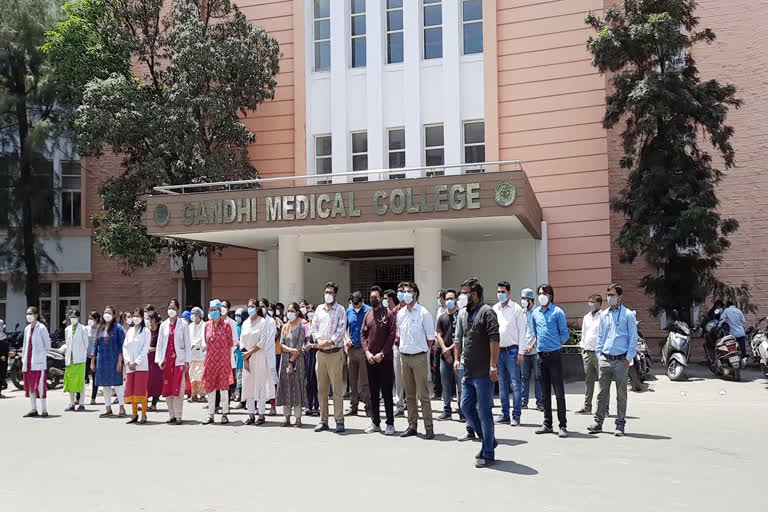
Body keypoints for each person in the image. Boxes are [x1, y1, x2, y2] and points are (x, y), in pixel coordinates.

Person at [456, 278, 500, 468]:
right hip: (469, 372)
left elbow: (494, 340)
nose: (462, 297)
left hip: (484, 373)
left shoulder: (487, 312)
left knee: (485, 413)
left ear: (474, 294)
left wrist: (493, 366)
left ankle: (488, 453)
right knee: (465, 407)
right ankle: (488, 440)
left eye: (465, 293)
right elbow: (463, 339)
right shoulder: (466, 313)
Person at [588, 284, 638, 437]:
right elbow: (600, 336)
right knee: (602, 393)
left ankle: (620, 424)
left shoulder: (628, 315)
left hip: (620, 360)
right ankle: (598, 422)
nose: (610, 297)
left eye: (613, 295)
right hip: (605, 359)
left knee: (621, 394)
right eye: (608, 295)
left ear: (620, 297)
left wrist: (628, 358)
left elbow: (633, 338)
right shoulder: (604, 314)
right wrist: (599, 354)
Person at [396, 281, 436, 439]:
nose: (406, 294)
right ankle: (412, 425)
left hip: (418, 357)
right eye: (404, 291)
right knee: (410, 395)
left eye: (409, 291)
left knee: (423, 395)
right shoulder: (401, 313)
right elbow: (399, 334)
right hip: (404, 357)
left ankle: (429, 426)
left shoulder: (424, 313)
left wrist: (421, 349)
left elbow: (430, 339)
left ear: (415, 294)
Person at [309, 281, 347, 433]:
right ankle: (323, 420)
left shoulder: (340, 310)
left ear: (335, 294)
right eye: (326, 292)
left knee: (337, 389)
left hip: (334, 353)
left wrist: (329, 341)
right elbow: (313, 327)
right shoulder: (319, 309)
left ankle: (339, 420)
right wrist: (319, 340)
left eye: (330, 293)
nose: (328, 295)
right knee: (322, 389)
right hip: (321, 354)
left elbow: (341, 329)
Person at [531, 284, 570, 437]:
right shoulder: (535, 313)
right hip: (541, 357)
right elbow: (535, 332)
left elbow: (565, 335)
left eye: (545, 293)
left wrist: (555, 345)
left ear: (551, 296)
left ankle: (563, 425)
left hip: (554, 356)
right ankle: (547, 423)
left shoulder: (558, 312)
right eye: (540, 293)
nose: (542, 296)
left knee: (559, 392)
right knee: (544, 392)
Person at [361, 286, 397, 435]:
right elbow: (363, 336)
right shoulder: (368, 314)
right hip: (370, 360)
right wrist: (367, 352)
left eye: (375, 297)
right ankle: (375, 422)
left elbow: (392, 335)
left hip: (385, 359)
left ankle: (390, 423)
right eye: (371, 297)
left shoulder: (388, 314)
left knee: (386, 392)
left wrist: (382, 353)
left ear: (381, 298)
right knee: (373, 392)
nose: (373, 299)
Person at [493, 280, 526, 427]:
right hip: (498, 351)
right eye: (499, 291)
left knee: (515, 384)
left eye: (503, 292)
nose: (500, 294)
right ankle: (504, 414)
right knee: (502, 384)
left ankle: (516, 415)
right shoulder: (495, 309)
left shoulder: (516, 309)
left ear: (509, 293)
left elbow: (522, 332)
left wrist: (520, 352)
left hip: (512, 351)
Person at [156, 298, 191, 425]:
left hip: (179, 361)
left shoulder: (184, 324)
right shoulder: (164, 325)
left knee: (178, 389)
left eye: (173, 308)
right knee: (168, 389)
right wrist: (159, 360)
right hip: (166, 361)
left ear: (178, 309)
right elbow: (160, 343)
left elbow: (187, 343)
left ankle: (179, 416)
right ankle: (171, 414)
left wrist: (187, 361)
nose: (171, 310)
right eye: (169, 308)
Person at [240, 299, 273, 425]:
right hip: (246, 358)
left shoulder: (262, 322)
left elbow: (262, 342)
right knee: (248, 384)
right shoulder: (245, 323)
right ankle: (251, 414)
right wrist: (245, 356)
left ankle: (261, 414)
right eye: (248, 307)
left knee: (259, 385)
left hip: (258, 356)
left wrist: (249, 353)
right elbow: (242, 341)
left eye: (252, 306)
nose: (250, 309)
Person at [203, 300, 235, 424]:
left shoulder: (226, 325)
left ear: (219, 311)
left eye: (215, 310)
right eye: (211, 310)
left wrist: (225, 359)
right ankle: (210, 414)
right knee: (210, 388)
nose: (213, 312)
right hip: (210, 361)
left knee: (223, 388)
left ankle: (224, 413)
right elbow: (205, 342)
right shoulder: (207, 325)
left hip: (223, 361)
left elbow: (230, 343)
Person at [276, 303, 307, 427]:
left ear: (297, 312)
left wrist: (292, 360)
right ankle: (286, 417)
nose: (290, 313)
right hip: (284, 360)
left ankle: (298, 418)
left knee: (297, 387)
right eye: (288, 311)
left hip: (297, 362)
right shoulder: (285, 326)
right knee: (285, 387)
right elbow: (281, 344)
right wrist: (290, 350)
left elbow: (299, 347)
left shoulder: (301, 326)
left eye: (292, 311)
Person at [93, 305, 126, 418]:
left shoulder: (118, 328)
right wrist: (93, 361)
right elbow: (95, 345)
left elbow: (122, 346)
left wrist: (119, 361)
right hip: (102, 360)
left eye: (109, 312)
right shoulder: (100, 328)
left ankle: (122, 407)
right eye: (105, 312)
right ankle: (108, 408)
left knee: (118, 384)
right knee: (105, 385)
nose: (107, 314)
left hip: (114, 359)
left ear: (113, 315)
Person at [435, 288, 462, 421]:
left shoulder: (461, 316)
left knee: (460, 384)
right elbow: (438, 335)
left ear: (456, 299)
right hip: (444, 357)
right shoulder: (442, 317)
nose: (449, 301)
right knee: (445, 384)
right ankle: (447, 410)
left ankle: (462, 410)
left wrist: (451, 350)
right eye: (447, 299)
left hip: (458, 356)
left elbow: (461, 337)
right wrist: (445, 350)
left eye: (452, 298)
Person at [345, 290, 371, 417]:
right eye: (354, 304)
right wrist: (346, 338)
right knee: (353, 380)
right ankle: (353, 405)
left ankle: (368, 406)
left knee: (365, 380)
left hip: (363, 349)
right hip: (351, 349)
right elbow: (344, 329)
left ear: (362, 301)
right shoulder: (348, 311)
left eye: (358, 304)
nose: (356, 306)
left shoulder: (368, 311)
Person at [22, 306, 51, 417]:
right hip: (28, 361)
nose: (28, 316)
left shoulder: (42, 328)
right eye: (27, 313)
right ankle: (33, 409)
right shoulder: (27, 329)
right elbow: (25, 345)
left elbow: (47, 345)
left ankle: (44, 409)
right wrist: (23, 359)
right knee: (30, 386)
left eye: (30, 313)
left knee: (40, 385)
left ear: (36, 315)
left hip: (38, 362)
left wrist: (40, 352)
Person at [123, 308, 151, 424]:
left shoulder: (146, 332)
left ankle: (143, 414)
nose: (135, 318)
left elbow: (145, 349)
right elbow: (125, 347)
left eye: (137, 315)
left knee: (141, 390)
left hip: (141, 366)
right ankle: (134, 414)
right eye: (133, 315)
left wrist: (136, 362)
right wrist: (129, 361)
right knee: (132, 389)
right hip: (130, 366)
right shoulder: (129, 331)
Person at [578, 294, 603, 415]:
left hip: (599, 353)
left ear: (599, 303)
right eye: (589, 302)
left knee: (603, 382)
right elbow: (584, 333)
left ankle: (604, 408)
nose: (590, 304)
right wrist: (582, 347)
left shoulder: (603, 316)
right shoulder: (586, 317)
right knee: (589, 381)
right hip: (587, 352)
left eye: (592, 302)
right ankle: (587, 407)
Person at [519, 289, 543, 411]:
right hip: (524, 350)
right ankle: (524, 401)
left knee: (538, 377)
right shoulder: (521, 312)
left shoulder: (538, 312)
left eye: (525, 299)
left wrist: (532, 346)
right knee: (524, 377)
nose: (523, 301)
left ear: (531, 300)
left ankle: (540, 402)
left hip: (535, 350)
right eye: (522, 298)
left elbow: (540, 332)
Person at [63, 308, 90, 412]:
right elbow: (67, 343)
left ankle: (82, 403)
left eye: (75, 317)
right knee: (70, 381)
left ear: (78, 318)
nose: (73, 319)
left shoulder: (83, 329)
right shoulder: (67, 329)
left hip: (80, 359)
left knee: (80, 382)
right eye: (71, 317)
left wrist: (80, 352)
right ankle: (72, 403)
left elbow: (86, 344)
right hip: (70, 359)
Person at [391, 282, 408, 417]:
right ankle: (400, 405)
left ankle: (411, 402)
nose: (400, 293)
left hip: (410, 348)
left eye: (402, 290)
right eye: (399, 291)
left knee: (410, 378)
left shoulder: (412, 309)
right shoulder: (395, 311)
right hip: (397, 346)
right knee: (398, 377)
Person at [303, 303, 320, 416]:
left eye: (312, 311)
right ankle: (308, 405)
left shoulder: (319, 326)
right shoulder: (304, 326)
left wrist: (312, 346)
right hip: (307, 356)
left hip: (317, 354)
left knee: (317, 381)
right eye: (308, 311)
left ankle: (317, 406)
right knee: (308, 381)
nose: (310, 313)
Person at [188, 306, 207, 402]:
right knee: (192, 375)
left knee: (200, 375)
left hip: (201, 354)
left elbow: (202, 338)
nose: (192, 316)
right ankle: (193, 394)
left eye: (194, 314)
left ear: (199, 316)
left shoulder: (204, 325)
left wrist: (194, 344)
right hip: (192, 355)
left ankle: (202, 395)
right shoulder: (190, 326)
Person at [146, 312, 163, 410]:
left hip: (156, 359)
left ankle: (154, 404)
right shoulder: (146, 331)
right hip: (147, 359)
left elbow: (162, 345)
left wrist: (152, 349)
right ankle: (144, 401)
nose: (149, 321)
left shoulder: (160, 331)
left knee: (156, 381)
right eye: (148, 319)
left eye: (151, 319)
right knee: (147, 380)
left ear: (155, 320)